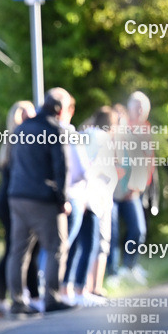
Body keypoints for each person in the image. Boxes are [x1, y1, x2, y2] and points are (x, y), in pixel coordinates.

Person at [6, 88, 75, 316]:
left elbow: (14, 161)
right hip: (42, 198)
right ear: (59, 109)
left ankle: (17, 301)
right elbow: (61, 168)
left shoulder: (23, 127)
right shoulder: (54, 129)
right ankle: (52, 298)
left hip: (17, 196)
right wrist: (62, 199)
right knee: (56, 247)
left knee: (18, 251)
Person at [64, 107, 117, 304]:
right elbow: (99, 170)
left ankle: (70, 288)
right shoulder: (102, 138)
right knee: (91, 245)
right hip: (95, 198)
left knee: (76, 245)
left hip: (80, 196)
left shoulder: (83, 134)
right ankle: (82, 289)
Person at [0, 101, 39, 317]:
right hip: (12, 202)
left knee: (16, 249)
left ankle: (5, 298)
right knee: (18, 250)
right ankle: (11, 298)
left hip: (9, 201)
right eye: (27, 114)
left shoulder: (12, 139)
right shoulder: (19, 139)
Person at [110, 91, 153, 283]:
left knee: (138, 229)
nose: (139, 109)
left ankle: (130, 266)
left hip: (133, 191)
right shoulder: (120, 127)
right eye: (136, 105)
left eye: (142, 106)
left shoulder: (145, 130)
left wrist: (138, 186)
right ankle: (112, 273)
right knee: (111, 232)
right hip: (113, 191)